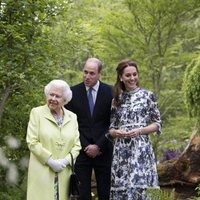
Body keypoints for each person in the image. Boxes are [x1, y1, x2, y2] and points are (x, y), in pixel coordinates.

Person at [106, 59, 162, 200]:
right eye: (128, 75)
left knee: (144, 189)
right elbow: (111, 128)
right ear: (121, 77)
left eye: (134, 74)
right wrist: (116, 132)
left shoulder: (147, 96)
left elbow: (157, 124)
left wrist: (140, 131)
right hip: (122, 152)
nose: (132, 78)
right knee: (122, 190)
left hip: (141, 149)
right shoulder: (117, 99)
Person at [65, 58, 113, 200]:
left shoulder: (110, 92)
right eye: (85, 72)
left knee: (105, 192)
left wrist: (98, 145)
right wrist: (86, 146)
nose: (87, 76)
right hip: (80, 150)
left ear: (99, 74)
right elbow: (71, 124)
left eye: (92, 73)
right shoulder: (72, 93)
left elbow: (113, 123)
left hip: (104, 150)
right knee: (82, 194)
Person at [26, 80, 81, 200]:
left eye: (58, 96)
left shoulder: (72, 117)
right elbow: (32, 141)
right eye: (51, 94)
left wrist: (64, 162)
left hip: (63, 174)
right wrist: (50, 161)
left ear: (65, 99)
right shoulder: (37, 113)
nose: (53, 98)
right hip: (42, 172)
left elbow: (77, 146)